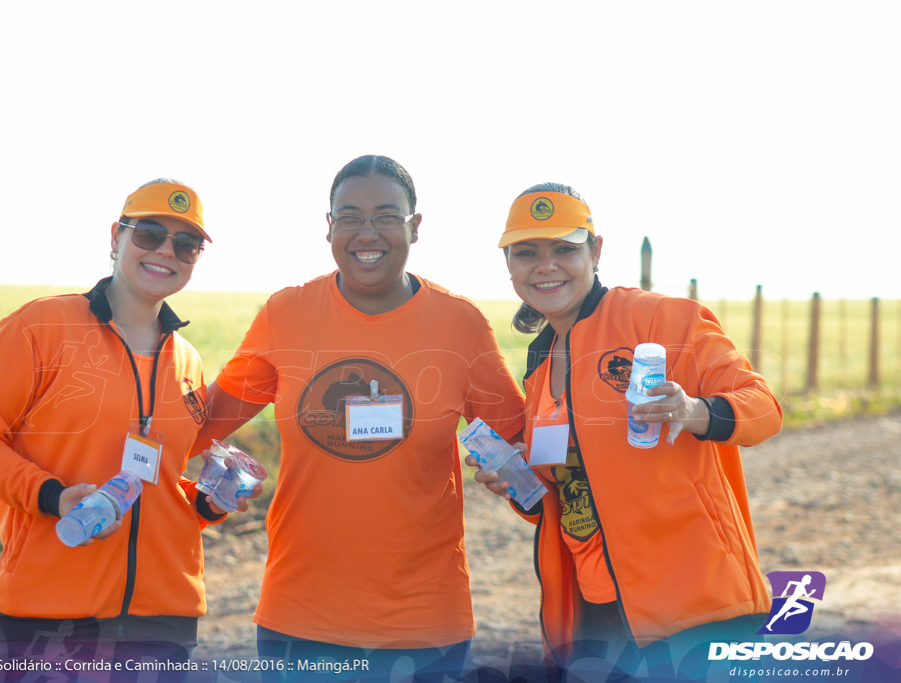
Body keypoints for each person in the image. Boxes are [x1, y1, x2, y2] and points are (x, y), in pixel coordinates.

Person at [191, 155, 526, 681]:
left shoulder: (460, 326)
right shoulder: (286, 315)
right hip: (300, 620)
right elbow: (200, 425)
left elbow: (527, 455)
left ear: (416, 227)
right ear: (328, 227)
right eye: (349, 216)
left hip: (424, 626)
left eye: (386, 216)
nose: (366, 232)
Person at [468, 182, 783, 679]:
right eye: (527, 252)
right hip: (594, 615)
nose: (545, 265)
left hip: (695, 610)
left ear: (596, 250)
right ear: (509, 264)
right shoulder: (540, 359)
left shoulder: (660, 319)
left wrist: (694, 411)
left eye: (565, 249)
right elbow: (570, 494)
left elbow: (764, 408)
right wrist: (519, 485)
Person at [0, 179, 257, 681]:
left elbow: (156, 480)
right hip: (50, 615)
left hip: (163, 621)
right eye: (149, 233)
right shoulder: (41, 327)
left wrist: (205, 502)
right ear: (116, 237)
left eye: (185, 244)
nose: (165, 251)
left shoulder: (188, 362)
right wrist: (53, 497)